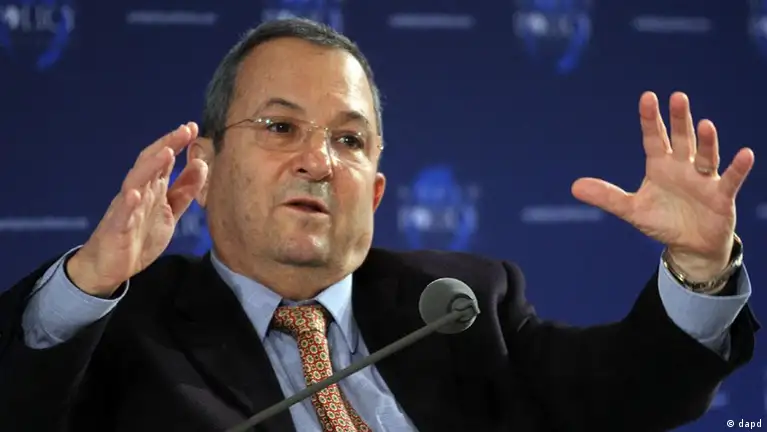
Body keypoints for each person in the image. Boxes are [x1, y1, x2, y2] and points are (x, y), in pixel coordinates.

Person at [0, 17, 759, 432]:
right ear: (205, 166)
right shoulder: (122, 324)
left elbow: (630, 391)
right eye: (279, 127)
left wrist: (698, 269)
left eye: (349, 140)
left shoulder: (460, 305)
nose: (318, 161)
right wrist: (87, 283)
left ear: (376, 190)